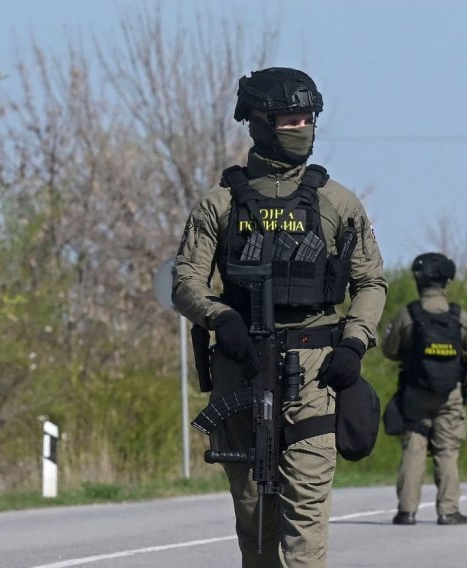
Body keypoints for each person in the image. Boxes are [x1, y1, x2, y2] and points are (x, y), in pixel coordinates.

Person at [172, 67, 387, 567]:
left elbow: (371, 282)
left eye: (308, 119)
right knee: (255, 526)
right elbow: (185, 282)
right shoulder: (220, 204)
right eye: (291, 120)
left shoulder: (337, 202)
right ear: (259, 123)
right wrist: (219, 317)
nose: (302, 129)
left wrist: (354, 342)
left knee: (305, 522)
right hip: (242, 369)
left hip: (314, 374)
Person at [381, 252, 467, 526]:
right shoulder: (459, 316)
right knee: (447, 450)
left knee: (414, 449)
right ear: (446, 281)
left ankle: (407, 511)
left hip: (416, 392)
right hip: (450, 394)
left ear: (418, 281)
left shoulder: (409, 314)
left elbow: (389, 349)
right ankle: (448, 511)